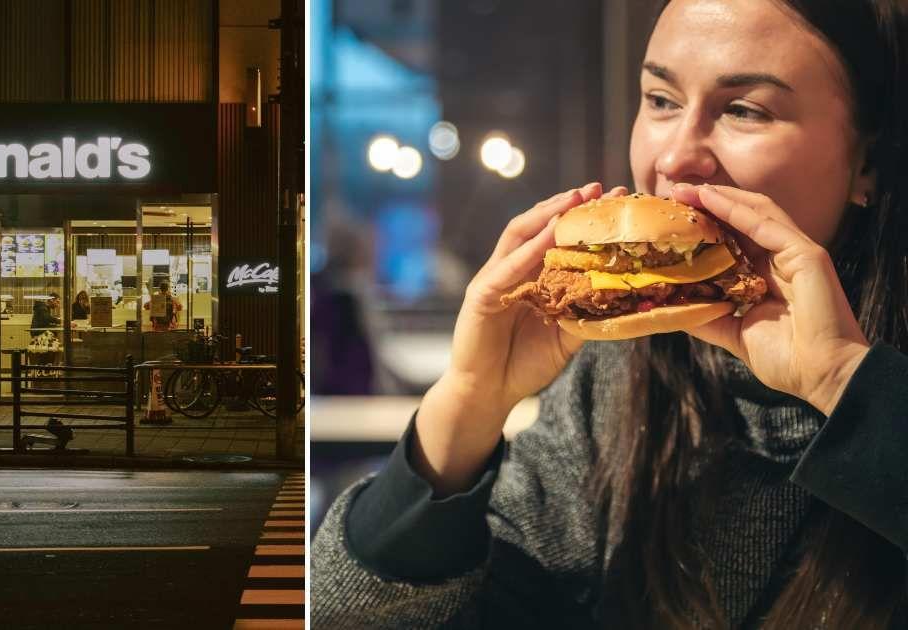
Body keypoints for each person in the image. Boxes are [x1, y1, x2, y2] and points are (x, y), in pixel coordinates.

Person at [312, 1, 908, 628]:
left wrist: (845, 383)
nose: (676, 158)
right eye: (660, 98)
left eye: (743, 109)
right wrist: (469, 400)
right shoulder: (616, 377)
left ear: (865, 161)